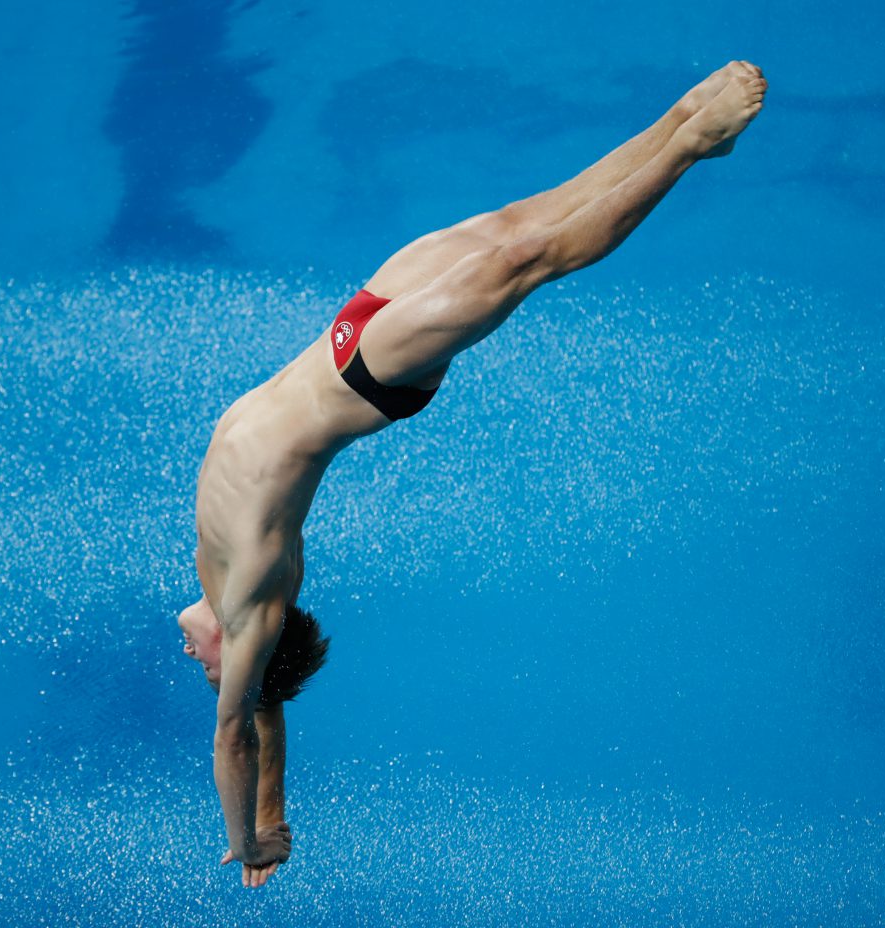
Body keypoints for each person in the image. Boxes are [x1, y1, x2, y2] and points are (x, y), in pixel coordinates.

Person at [176, 60, 767, 887]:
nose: (198, 667)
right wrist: (246, 839)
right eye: (214, 671)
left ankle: (675, 119)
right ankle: (693, 149)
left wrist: (273, 811)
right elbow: (235, 727)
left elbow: (262, 715)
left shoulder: (221, 579)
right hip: (369, 373)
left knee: (513, 221)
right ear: (252, 650)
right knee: (532, 257)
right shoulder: (250, 607)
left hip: (352, 329)